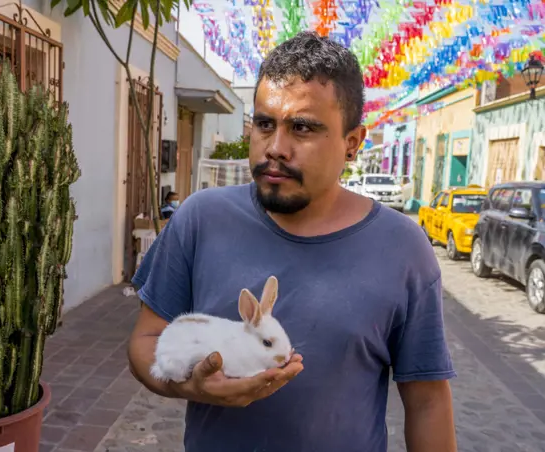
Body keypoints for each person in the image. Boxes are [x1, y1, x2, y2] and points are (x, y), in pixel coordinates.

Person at [129, 32, 457, 452]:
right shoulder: (201, 218)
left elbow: (428, 401)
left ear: (352, 143)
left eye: (302, 127)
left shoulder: (404, 248)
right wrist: (192, 387)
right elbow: (145, 343)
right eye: (264, 124)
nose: (275, 148)